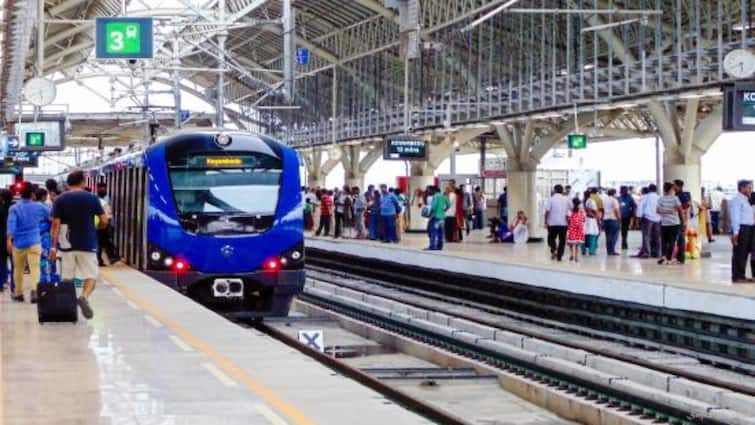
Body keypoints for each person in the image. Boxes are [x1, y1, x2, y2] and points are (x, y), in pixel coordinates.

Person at [50, 170, 108, 319]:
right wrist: (98, 227)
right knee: (91, 276)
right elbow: (104, 220)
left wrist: (52, 247)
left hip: (66, 244)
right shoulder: (92, 198)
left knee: (67, 278)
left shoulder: (60, 199)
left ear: (68, 184)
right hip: (87, 243)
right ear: (82, 183)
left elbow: (55, 225)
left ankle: (68, 310)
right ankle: (84, 297)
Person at [7, 183, 50, 303]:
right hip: (34, 242)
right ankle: (35, 292)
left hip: (19, 243)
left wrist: (9, 240)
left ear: (20, 195)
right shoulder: (39, 207)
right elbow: (52, 216)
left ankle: (19, 294)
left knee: (18, 269)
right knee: (35, 268)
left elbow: (11, 225)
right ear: (33, 195)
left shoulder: (14, 208)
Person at [729, 179, 754, 283]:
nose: (751, 189)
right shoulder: (737, 199)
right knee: (740, 253)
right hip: (742, 228)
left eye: (751, 187)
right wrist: (735, 232)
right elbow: (735, 217)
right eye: (749, 187)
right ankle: (737, 276)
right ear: (742, 188)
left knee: (747, 252)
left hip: (750, 228)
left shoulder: (748, 199)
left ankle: (742, 275)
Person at [657, 182, 683, 265]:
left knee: (664, 241)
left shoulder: (661, 199)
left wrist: (666, 211)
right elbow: (680, 210)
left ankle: (664, 256)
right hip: (674, 223)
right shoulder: (675, 198)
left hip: (664, 223)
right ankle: (668, 259)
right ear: (671, 189)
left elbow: (657, 211)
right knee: (672, 241)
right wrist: (682, 220)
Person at [544, 184, 570, 261]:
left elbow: (547, 211)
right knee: (562, 240)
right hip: (563, 223)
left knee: (551, 239)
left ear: (555, 190)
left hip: (552, 223)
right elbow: (571, 209)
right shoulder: (566, 199)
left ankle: (554, 249)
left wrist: (545, 221)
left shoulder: (551, 199)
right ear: (562, 190)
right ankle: (559, 256)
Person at [96, 187, 121, 266]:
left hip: (94, 225)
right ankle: (112, 257)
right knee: (104, 242)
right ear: (105, 195)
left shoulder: (95, 201)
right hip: (102, 226)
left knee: (99, 243)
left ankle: (100, 260)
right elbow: (108, 216)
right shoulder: (104, 203)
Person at [637, 184, 661, 258]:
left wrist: (639, 217)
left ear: (649, 189)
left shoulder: (645, 197)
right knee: (657, 237)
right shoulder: (659, 198)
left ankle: (647, 253)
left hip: (647, 218)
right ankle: (657, 253)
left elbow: (640, 207)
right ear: (656, 190)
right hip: (658, 219)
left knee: (646, 236)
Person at [427, 186, 450, 250]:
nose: (429, 192)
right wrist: (444, 210)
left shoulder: (436, 196)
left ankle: (432, 246)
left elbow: (433, 207)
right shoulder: (444, 196)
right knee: (441, 232)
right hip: (442, 217)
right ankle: (440, 246)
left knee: (433, 231)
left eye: (429, 190)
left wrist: (430, 214)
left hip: (435, 217)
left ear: (434, 190)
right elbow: (449, 205)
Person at [673, 180, 691, 264]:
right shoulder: (677, 195)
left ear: (679, 186)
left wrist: (681, 211)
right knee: (679, 239)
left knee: (681, 239)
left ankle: (681, 258)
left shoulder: (682, 195)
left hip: (680, 220)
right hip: (677, 219)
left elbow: (687, 205)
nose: (673, 187)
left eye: (675, 185)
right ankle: (679, 257)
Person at [567, 198, 586, 262]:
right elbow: (584, 219)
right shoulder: (582, 210)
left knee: (571, 242)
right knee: (577, 242)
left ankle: (572, 254)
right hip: (579, 227)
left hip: (572, 227)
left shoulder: (570, 210)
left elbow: (568, 218)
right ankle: (576, 257)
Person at [603, 188, 621, 255]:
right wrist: (619, 218)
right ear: (614, 193)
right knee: (614, 236)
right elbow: (616, 210)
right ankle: (612, 250)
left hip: (605, 219)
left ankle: (609, 251)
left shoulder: (604, 200)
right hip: (613, 219)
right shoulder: (614, 200)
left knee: (608, 236)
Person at [0, 190, 12, 293]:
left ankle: (1, 283)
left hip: (2, 239)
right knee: (15, 263)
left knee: (1, 261)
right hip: (14, 239)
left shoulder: (1, 208)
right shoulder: (14, 208)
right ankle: (14, 285)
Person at [583, 191, 600, 256]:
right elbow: (595, 211)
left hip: (584, 220)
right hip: (591, 220)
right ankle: (591, 251)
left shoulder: (583, 201)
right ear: (590, 195)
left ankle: (583, 250)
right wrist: (597, 218)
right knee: (593, 235)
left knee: (584, 235)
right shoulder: (591, 201)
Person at [619, 186, 635, 250]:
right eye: (622, 190)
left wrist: (632, 214)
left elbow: (633, 206)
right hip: (620, 216)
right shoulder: (619, 198)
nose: (623, 192)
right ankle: (624, 242)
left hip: (626, 216)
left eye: (624, 190)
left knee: (624, 230)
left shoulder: (630, 198)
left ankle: (624, 242)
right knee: (623, 230)